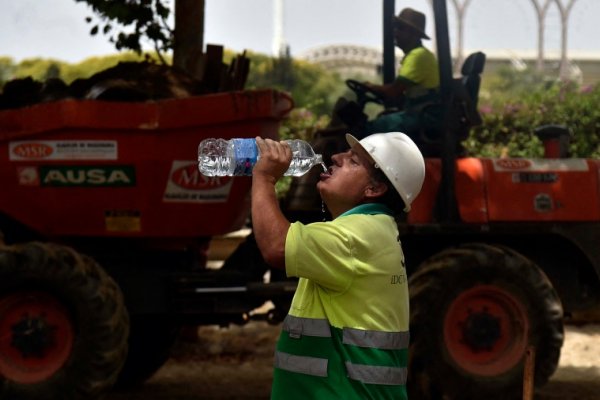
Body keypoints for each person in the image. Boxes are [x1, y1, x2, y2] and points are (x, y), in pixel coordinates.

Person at [251, 132, 426, 400]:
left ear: (374, 189)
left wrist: (265, 178)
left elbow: (276, 246)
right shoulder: (370, 229)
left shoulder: (358, 234)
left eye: (353, 161)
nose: (335, 157)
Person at [337, 8, 441, 144]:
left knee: (370, 129)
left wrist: (371, 86)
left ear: (413, 33)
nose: (395, 32)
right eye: (396, 27)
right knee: (382, 120)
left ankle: (360, 161)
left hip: (424, 116)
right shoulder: (416, 55)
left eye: (401, 28)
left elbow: (394, 91)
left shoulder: (418, 56)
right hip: (419, 113)